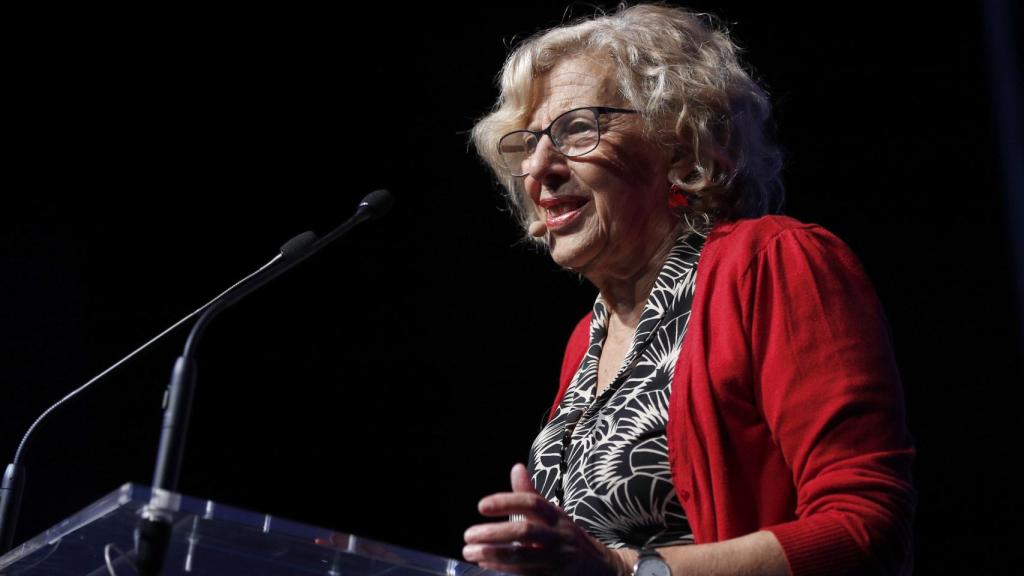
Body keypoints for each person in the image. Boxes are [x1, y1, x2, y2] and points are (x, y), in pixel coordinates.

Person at [462, 4, 915, 576]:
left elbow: (867, 529)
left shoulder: (771, 262)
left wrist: (629, 572)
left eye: (576, 128)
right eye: (527, 142)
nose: (538, 167)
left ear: (680, 142)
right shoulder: (590, 336)